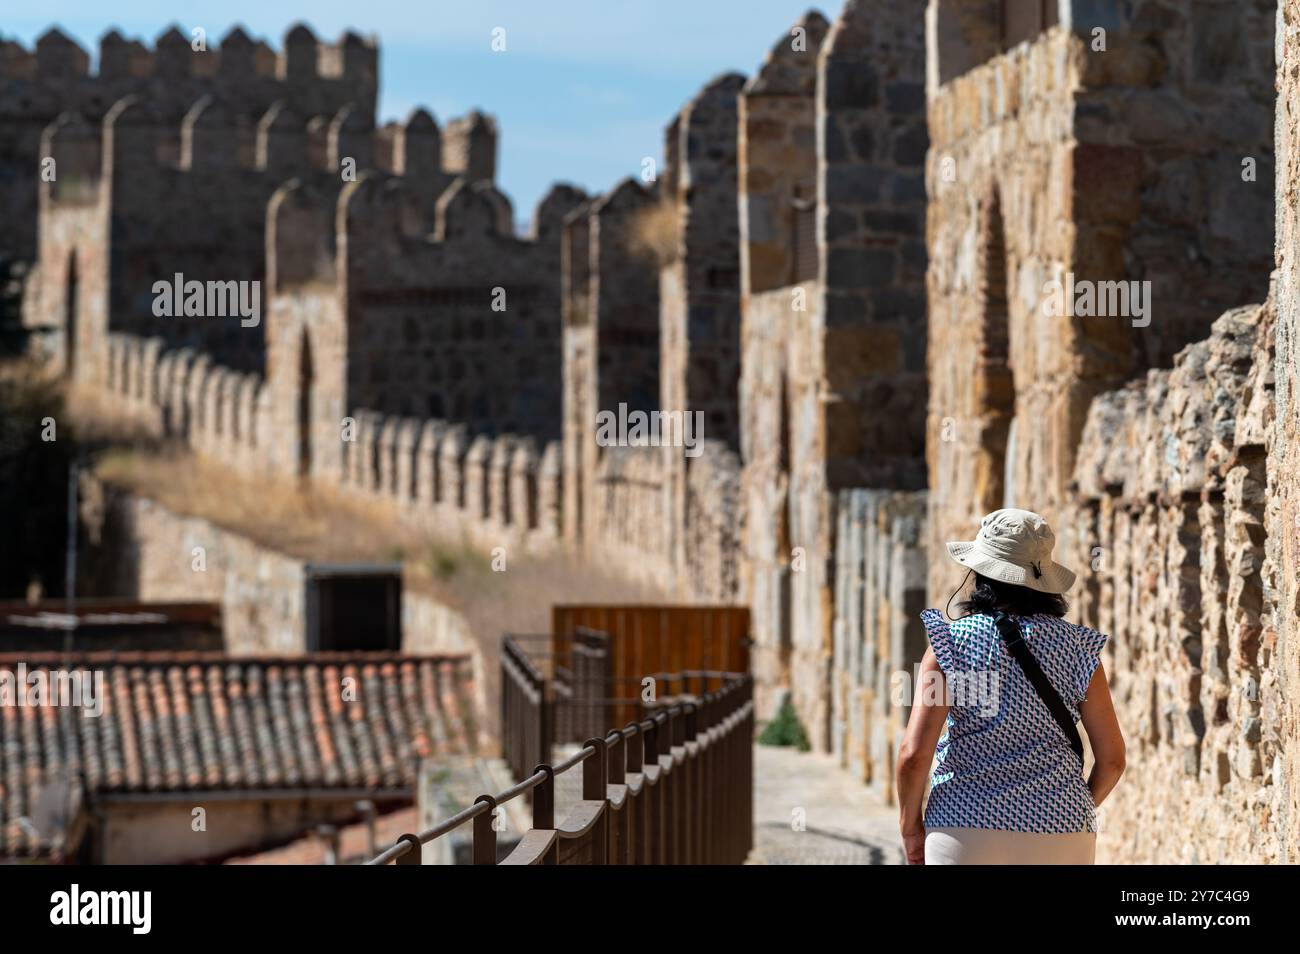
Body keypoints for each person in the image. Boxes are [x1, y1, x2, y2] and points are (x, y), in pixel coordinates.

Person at [895, 508, 1126, 864]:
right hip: (1062, 830)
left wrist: (911, 829)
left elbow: (914, 756)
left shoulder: (950, 645)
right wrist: (1062, 809)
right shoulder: (1079, 650)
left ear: (980, 572)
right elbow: (1111, 760)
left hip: (965, 824)